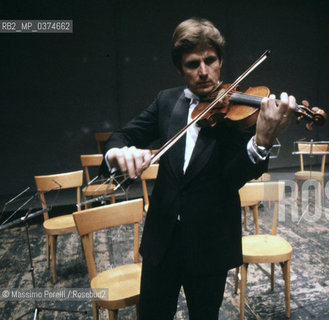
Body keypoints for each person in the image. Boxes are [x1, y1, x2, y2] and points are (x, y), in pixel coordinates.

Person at [103, 17, 295, 319]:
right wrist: (117, 152)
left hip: (209, 244)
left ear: (220, 62)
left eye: (210, 60)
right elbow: (122, 135)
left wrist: (262, 140)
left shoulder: (236, 110)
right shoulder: (166, 102)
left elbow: (233, 177)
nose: (204, 72)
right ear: (180, 69)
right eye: (193, 64)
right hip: (161, 242)